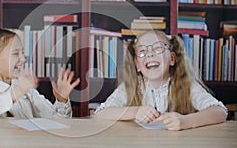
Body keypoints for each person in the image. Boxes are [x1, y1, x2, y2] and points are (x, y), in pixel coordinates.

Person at [94, 30, 227, 131]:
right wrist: (135, 111)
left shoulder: (186, 85)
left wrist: (186, 121)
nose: (150, 54)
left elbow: (220, 112)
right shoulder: (130, 87)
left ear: (172, 59)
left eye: (158, 48)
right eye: (142, 52)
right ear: (137, 65)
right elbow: (100, 114)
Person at [0, 29, 80, 120]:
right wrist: (17, 91)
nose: (22, 59)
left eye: (22, 53)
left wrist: (61, 100)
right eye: (15, 53)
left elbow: (56, 120)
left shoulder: (28, 91)